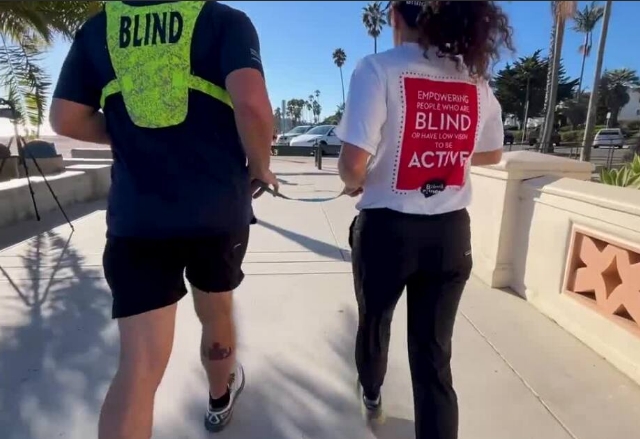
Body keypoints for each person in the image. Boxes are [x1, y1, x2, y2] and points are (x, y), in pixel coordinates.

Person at [49, 1, 277, 438]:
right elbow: (252, 105)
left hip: (139, 217)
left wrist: (127, 128)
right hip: (216, 211)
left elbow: (65, 117)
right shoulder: (223, 20)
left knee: (138, 369)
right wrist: (260, 166)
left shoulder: (101, 27)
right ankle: (218, 400)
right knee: (216, 313)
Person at [335, 2, 512, 438]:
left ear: (395, 15)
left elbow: (351, 163)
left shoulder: (377, 69)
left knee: (375, 323)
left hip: (387, 232)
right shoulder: (475, 81)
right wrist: (447, 150)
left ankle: (372, 393)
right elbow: (492, 152)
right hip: (451, 234)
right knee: (434, 361)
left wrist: (355, 181)